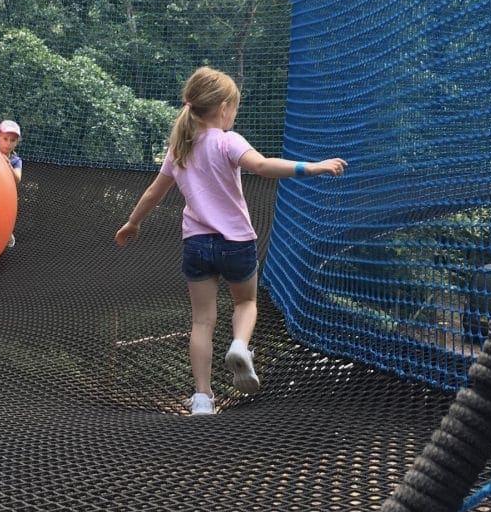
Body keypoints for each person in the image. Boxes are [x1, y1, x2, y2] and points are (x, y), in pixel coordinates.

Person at [115, 66, 347, 416]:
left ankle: (202, 399)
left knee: (202, 321)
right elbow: (264, 167)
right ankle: (240, 345)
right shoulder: (228, 141)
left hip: (196, 245)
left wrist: (133, 223)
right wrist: (311, 167)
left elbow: (154, 192)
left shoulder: (179, 149)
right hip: (235, 243)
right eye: (234, 108)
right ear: (224, 108)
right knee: (246, 303)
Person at [0, 120, 22, 248]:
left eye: (12, 140)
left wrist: (8, 165)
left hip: (4, 196)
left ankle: (5, 232)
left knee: (2, 217)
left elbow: (17, 179)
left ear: (17, 142)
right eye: (5, 139)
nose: (8, 143)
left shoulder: (16, 160)